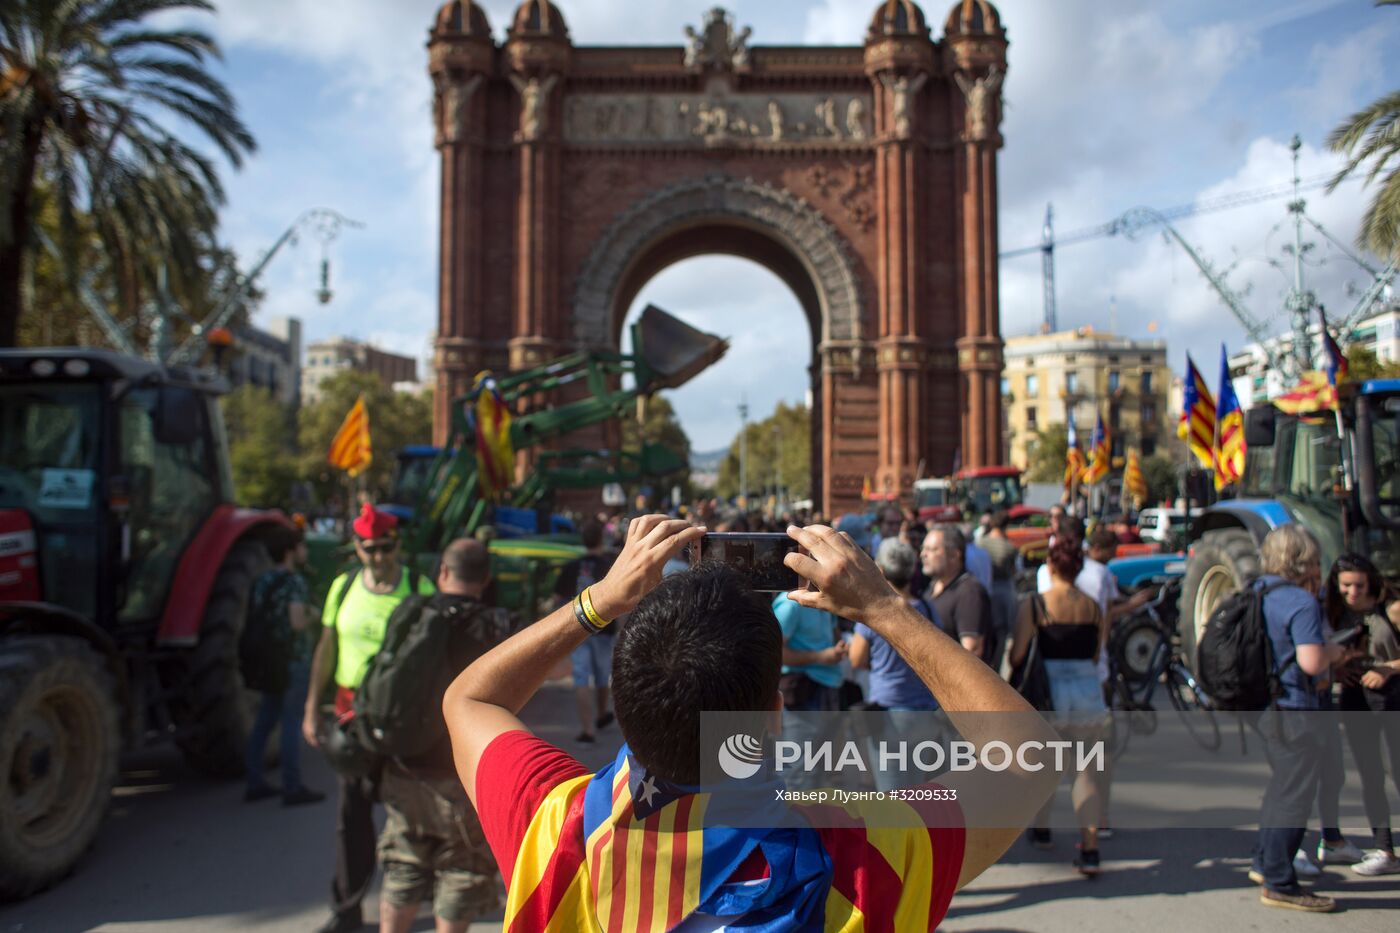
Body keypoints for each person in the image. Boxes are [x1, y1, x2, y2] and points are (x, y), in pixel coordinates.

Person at [442, 516, 1062, 930]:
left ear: (621, 697)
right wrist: (884, 609)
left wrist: (600, 600)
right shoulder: (865, 852)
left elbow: (469, 699)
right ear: (772, 718)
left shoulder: (555, 831)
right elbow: (1030, 758)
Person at [303, 504, 436, 933]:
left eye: (386, 547)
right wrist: (311, 708)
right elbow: (327, 647)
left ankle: (414, 905)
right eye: (370, 549)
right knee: (352, 819)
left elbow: (438, 656)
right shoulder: (342, 589)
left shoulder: (419, 586)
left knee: (413, 816)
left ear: (397, 545)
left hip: (403, 720)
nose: (379, 557)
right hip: (351, 716)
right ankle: (347, 910)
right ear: (357, 549)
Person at [376, 539, 507, 933]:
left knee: (403, 868)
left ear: (442, 573)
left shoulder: (408, 611)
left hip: (402, 767)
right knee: (460, 872)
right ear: (485, 580)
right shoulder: (495, 623)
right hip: (461, 775)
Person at [1246, 525, 1353, 913]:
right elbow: (1310, 661)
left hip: (1268, 706)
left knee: (1281, 789)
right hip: (1297, 707)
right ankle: (1280, 882)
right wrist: (1335, 654)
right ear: (1301, 558)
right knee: (1295, 796)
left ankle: (1266, 862)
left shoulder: (1259, 591)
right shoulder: (1300, 602)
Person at [1008, 535, 1111, 876]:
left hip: (1049, 692)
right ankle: (1091, 846)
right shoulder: (1093, 607)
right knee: (1085, 772)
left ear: (1051, 565)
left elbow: (1018, 654)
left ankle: (1041, 828)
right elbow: (1097, 654)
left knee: (1046, 766)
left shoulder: (1036, 605)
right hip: (1087, 691)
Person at [1322, 553, 1400, 876]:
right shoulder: (1333, 610)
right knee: (1371, 776)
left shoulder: (1391, 609)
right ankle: (1384, 849)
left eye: (1359, 585)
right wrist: (1339, 670)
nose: (1352, 593)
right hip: (1355, 699)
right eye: (1345, 586)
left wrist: (1387, 669)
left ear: (1371, 582)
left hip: (1392, 697)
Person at [851, 538, 942, 790]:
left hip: (889, 712)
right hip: (924, 712)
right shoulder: (928, 608)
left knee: (891, 796)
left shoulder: (874, 611)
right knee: (916, 792)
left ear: (879, 570)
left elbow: (856, 658)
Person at [244, 524, 325, 807]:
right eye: (301, 546)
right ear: (291, 551)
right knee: (291, 722)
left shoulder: (263, 580)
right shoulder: (294, 582)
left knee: (266, 719)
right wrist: (315, 615)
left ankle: (254, 781)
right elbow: (297, 622)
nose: (305, 551)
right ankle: (292, 787)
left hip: (269, 660)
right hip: (293, 659)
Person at [553, 519, 618, 744]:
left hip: (577, 628)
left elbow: (558, 598)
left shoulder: (572, 566)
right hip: (605, 627)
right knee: (602, 676)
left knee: (582, 677)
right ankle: (601, 714)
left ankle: (588, 728)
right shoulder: (609, 566)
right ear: (601, 539)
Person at [922, 524, 993, 664]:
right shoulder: (931, 588)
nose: (923, 554)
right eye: (923, 548)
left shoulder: (969, 592)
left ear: (954, 555)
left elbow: (972, 651)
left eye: (932, 549)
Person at [979, 510, 1021, 673]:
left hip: (985, 589)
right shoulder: (1009, 547)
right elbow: (1014, 571)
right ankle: (995, 668)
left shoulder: (981, 542)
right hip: (1003, 591)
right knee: (1002, 632)